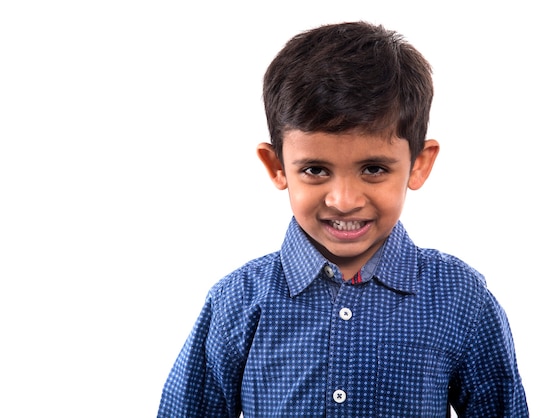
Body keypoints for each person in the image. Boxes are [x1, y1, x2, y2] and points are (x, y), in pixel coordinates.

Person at [157, 21, 528, 417]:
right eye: (316, 170)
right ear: (277, 166)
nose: (344, 200)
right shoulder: (237, 302)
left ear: (418, 165)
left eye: (373, 169)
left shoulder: (460, 298)